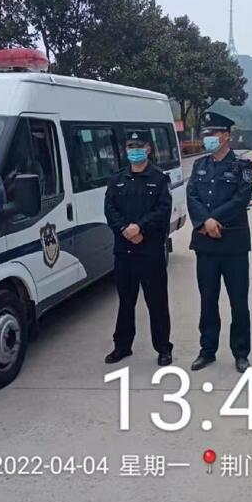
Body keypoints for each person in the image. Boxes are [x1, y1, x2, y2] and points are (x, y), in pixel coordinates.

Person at [187, 112, 252, 373]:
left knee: (238, 301)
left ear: (226, 136)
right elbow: (192, 196)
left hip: (233, 245)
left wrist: (215, 219)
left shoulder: (242, 166)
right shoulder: (199, 165)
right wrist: (206, 222)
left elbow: (241, 199)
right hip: (206, 245)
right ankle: (207, 350)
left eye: (213, 133)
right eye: (206, 134)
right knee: (207, 300)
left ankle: (241, 352)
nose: (208, 138)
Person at [103, 131, 173, 366]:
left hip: (150, 251)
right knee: (125, 302)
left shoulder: (159, 179)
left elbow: (162, 211)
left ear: (148, 149)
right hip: (124, 252)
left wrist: (140, 228)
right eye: (130, 146)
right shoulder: (117, 180)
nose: (134, 150)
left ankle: (163, 348)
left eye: (138, 146)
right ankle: (122, 346)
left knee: (157, 302)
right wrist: (125, 229)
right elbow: (110, 209)